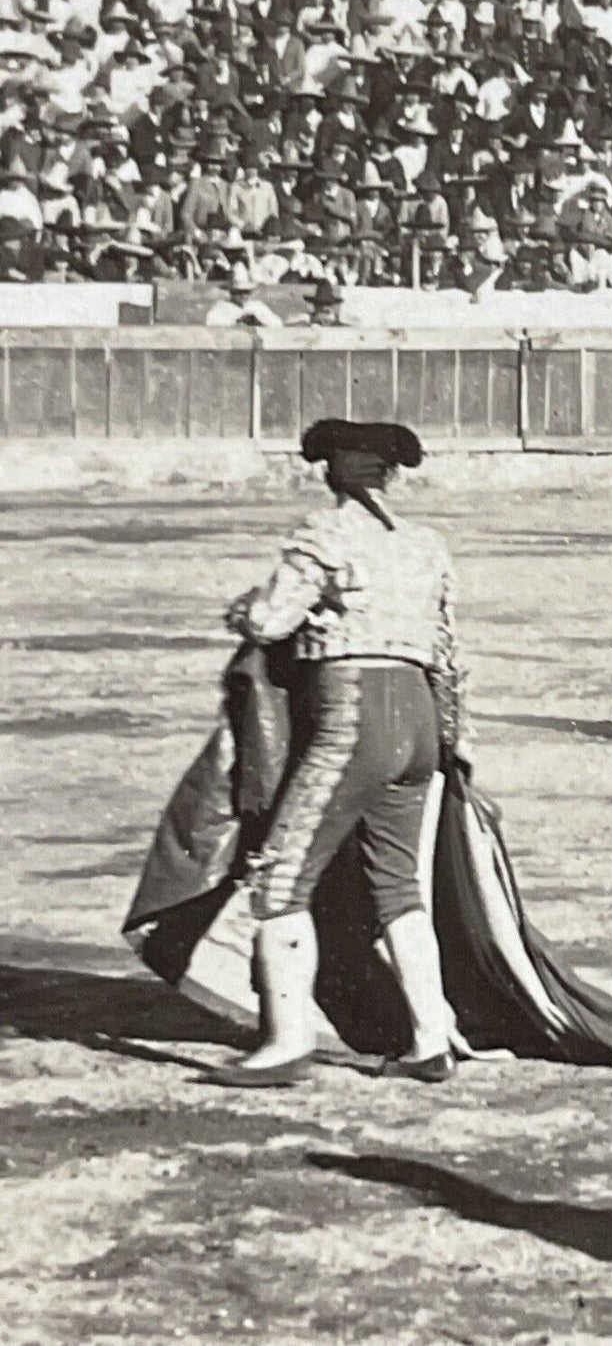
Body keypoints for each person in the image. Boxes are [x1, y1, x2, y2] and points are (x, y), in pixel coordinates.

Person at [211, 419, 463, 1087]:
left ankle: (286, 1041)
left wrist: (242, 611)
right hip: (419, 715)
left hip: (354, 709)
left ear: (338, 470)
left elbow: (269, 620)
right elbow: (448, 648)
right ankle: (429, 1039)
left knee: (279, 879)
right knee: (398, 884)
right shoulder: (426, 544)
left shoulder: (325, 535)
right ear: (390, 471)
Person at [205, 263, 285, 327]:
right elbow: (211, 323)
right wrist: (237, 321)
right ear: (231, 292)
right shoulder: (221, 307)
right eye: (239, 292)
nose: (243, 295)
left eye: (246, 292)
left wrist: (259, 321)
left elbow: (278, 324)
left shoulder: (257, 306)